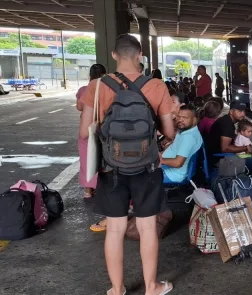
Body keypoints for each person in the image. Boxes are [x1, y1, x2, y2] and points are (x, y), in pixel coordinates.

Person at [78, 33, 175, 295]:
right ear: (140, 55)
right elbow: (169, 132)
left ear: (114, 55)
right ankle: (152, 287)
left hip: (111, 168)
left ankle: (117, 289)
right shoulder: (156, 86)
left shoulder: (97, 86)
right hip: (147, 168)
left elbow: (85, 133)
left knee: (116, 228)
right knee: (146, 227)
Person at [205, 100, 252, 174]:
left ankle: (248, 180)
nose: (243, 114)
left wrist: (247, 153)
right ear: (231, 111)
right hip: (221, 161)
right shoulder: (227, 124)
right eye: (239, 111)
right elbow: (225, 148)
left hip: (223, 157)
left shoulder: (227, 121)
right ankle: (251, 182)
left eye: (244, 111)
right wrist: (246, 148)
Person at [76, 63, 107, 199]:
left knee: (86, 158)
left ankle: (88, 190)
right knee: (103, 156)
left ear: (90, 75)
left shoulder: (84, 89)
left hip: (87, 127)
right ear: (104, 75)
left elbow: (79, 107)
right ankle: (102, 187)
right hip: (103, 126)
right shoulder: (106, 89)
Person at [160, 105, 203, 183]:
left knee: (139, 177)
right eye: (179, 117)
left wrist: (158, 161)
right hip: (168, 168)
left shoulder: (188, 137)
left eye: (185, 118)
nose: (180, 120)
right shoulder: (187, 131)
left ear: (194, 120)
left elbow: (178, 163)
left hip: (173, 174)